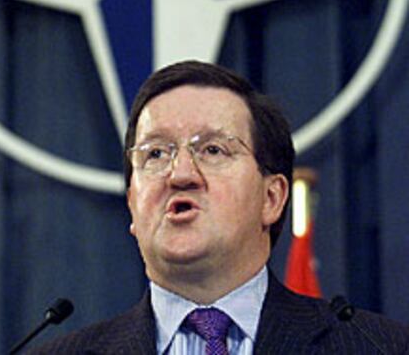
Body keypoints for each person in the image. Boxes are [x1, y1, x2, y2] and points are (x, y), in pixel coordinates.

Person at [29, 60, 409, 354]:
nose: (180, 174)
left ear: (272, 198)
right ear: (133, 204)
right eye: (156, 153)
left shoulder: (378, 347)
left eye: (213, 150)